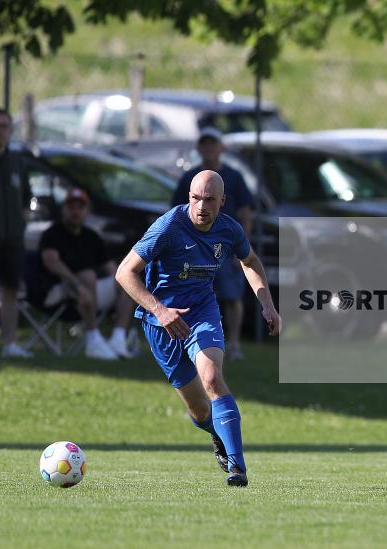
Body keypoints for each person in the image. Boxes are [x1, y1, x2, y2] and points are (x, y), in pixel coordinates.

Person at [116, 170, 281, 487]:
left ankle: (237, 468)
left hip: (202, 311)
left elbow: (250, 262)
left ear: (222, 201)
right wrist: (161, 311)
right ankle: (216, 435)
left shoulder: (229, 229)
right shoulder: (168, 228)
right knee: (198, 409)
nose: (201, 206)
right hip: (160, 322)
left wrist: (268, 305)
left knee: (212, 377)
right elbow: (125, 273)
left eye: (208, 199)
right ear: (187, 197)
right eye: (195, 198)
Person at [172, 127, 253, 361]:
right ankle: (188, 341)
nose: (208, 149)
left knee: (231, 296)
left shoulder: (234, 177)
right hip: (194, 250)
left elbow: (246, 213)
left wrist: (241, 251)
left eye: (212, 144)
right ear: (198, 148)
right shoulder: (190, 178)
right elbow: (176, 213)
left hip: (226, 250)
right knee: (192, 295)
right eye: (204, 144)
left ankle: (234, 343)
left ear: (221, 147)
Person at [37, 188, 135, 360]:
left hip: (90, 292)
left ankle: (118, 338)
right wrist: (77, 284)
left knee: (129, 282)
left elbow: (111, 267)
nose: (76, 211)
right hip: (59, 291)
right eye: (71, 207)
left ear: (87, 211)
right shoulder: (52, 234)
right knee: (88, 277)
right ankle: (93, 340)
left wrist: (124, 279)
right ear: (64, 210)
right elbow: (51, 261)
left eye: (80, 207)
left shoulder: (92, 237)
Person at [0, 108, 33, 358]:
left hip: (13, 239)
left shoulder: (17, 161)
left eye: (4, 126)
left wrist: (22, 220)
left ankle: (10, 343)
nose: (0, 131)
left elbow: (27, 197)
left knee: (11, 290)